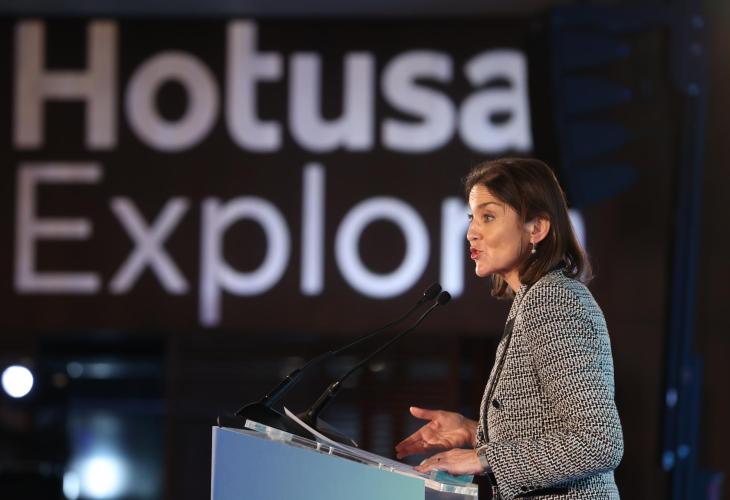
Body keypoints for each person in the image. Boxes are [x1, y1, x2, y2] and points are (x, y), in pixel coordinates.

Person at [395, 158, 623, 499]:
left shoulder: (553, 300)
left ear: (537, 228)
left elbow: (598, 441)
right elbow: (546, 427)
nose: (471, 232)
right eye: (472, 217)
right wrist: (473, 432)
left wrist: (483, 458)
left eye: (488, 216)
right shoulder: (533, 297)